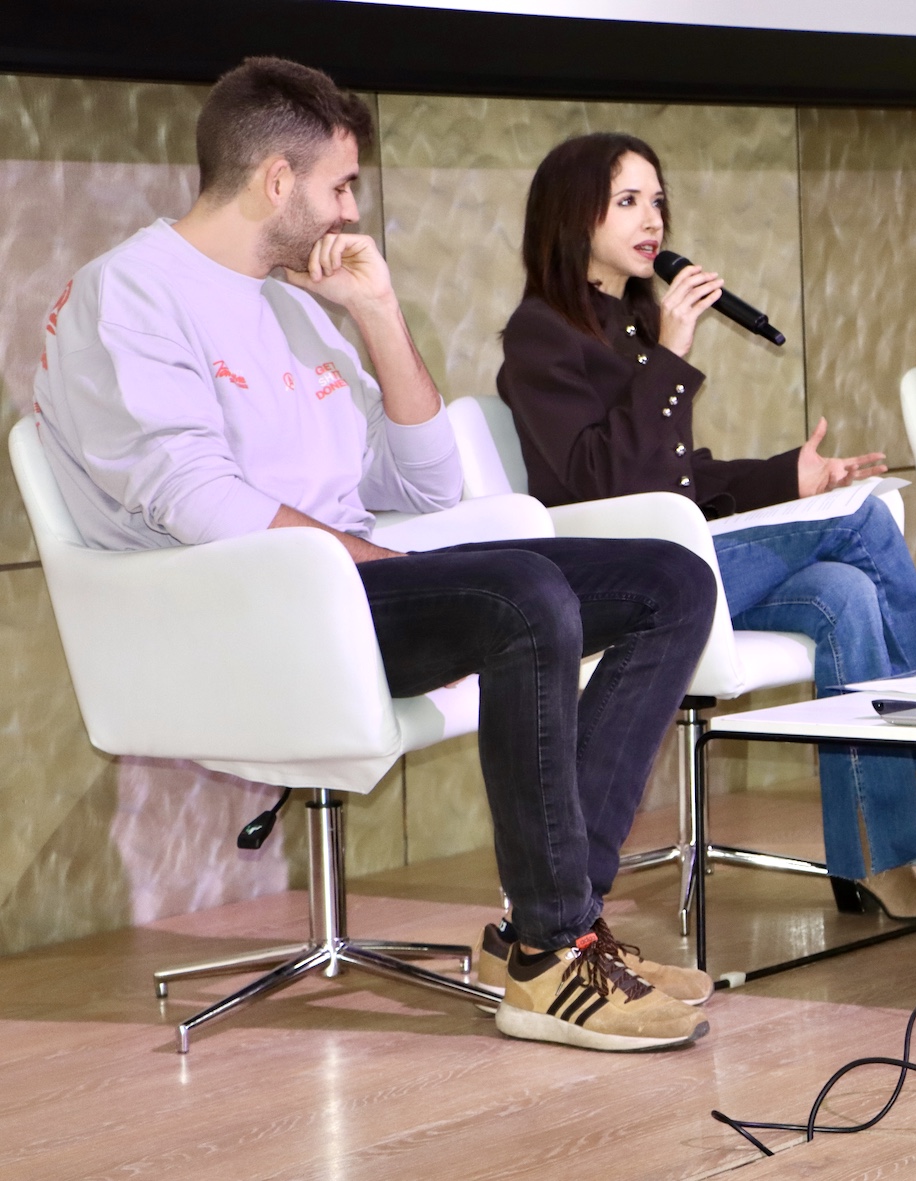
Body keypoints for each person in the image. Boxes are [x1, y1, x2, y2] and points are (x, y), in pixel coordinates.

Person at [33, 57, 723, 1054]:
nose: (350, 210)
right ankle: (549, 950)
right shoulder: (131, 293)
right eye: (341, 186)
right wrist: (365, 555)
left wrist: (378, 313)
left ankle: (558, 929)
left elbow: (425, 486)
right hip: (245, 612)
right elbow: (196, 500)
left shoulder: (291, 306)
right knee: (524, 592)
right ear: (279, 181)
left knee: (670, 579)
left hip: (346, 588)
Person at [496, 133, 916, 922]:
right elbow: (601, 483)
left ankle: (876, 863)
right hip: (624, 579)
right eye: (627, 202)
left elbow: (679, 477)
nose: (653, 219)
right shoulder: (541, 333)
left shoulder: (629, 325)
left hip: (678, 553)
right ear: (570, 216)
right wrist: (672, 355)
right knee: (859, 522)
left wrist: (790, 476)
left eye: (657, 201)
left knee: (844, 592)